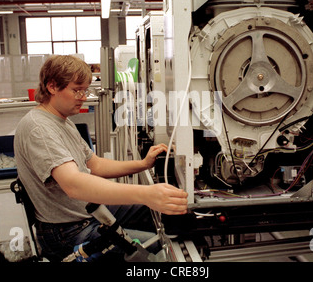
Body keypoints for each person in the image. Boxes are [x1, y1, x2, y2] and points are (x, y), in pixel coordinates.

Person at [14, 55, 188, 262]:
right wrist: (146, 193)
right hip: (66, 231)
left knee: (156, 214)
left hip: (87, 212)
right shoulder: (39, 128)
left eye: (85, 90)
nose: (83, 96)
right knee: (156, 249)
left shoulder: (62, 120)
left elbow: (94, 164)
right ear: (52, 87)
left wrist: (142, 164)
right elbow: (73, 185)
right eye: (77, 90)